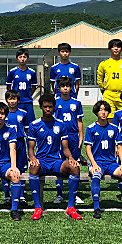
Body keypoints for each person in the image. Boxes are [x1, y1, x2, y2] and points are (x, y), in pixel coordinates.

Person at [28, 93, 82, 220]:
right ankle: (37, 207)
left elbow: (65, 148)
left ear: (54, 107)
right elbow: (30, 149)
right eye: (45, 107)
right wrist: (33, 158)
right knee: (33, 168)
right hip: (41, 162)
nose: (48, 109)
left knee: (74, 168)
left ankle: (70, 207)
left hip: (57, 162)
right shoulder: (34, 125)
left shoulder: (61, 125)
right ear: (40, 107)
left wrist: (71, 158)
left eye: (50, 107)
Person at [84, 101, 122, 219]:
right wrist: (93, 164)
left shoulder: (114, 128)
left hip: (111, 163)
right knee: (96, 176)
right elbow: (88, 149)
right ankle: (96, 208)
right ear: (96, 112)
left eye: (105, 110)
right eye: (100, 110)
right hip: (97, 163)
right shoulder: (91, 128)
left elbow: (119, 147)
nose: (103, 112)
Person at [52, 76, 84, 206]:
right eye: (62, 86)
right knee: (60, 164)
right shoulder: (55, 102)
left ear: (71, 88)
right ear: (58, 88)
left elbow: (79, 121)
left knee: (74, 164)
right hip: (59, 136)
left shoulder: (76, 103)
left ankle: (74, 194)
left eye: (67, 86)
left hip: (73, 136)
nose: (65, 88)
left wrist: (81, 137)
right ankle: (59, 194)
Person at [97, 39, 122, 120]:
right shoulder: (104, 64)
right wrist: (103, 89)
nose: (116, 49)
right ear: (110, 49)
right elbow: (99, 79)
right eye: (113, 47)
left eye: (118, 47)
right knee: (109, 117)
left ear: (121, 49)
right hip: (108, 94)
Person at [5, 89, 29, 206]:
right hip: (7, 143)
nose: (12, 101)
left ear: (18, 100)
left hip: (20, 142)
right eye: (10, 99)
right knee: (7, 166)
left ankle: (21, 195)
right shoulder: (3, 114)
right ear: (6, 100)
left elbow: (27, 130)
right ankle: (7, 195)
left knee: (21, 168)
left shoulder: (23, 113)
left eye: (14, 99)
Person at [6, 48, 37, 129]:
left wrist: (29, 95)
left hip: (27, 102)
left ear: (27, 58)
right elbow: (8, 86)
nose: (22, 59)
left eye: (24, 57)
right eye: (20, 57)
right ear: (17, 58)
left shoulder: (32, 72)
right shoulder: (12, 72)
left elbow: (34, 86)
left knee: (29, 126)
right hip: (17, 103)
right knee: (15, 125)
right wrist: (12, 97)